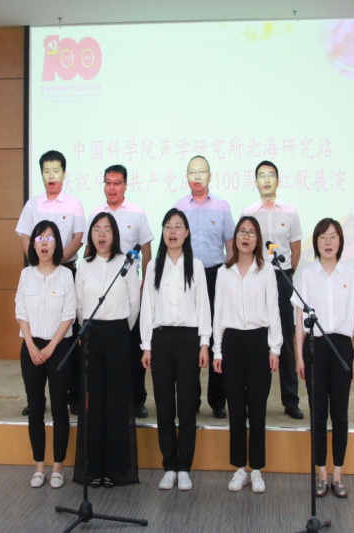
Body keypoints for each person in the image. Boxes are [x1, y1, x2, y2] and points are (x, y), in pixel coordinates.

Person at [292, 218, 354, 499]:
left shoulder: (350, 274)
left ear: (340, 241)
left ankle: (338, 474)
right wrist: (299, 356)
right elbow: (299, 322)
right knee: (318, 413)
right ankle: (321, 473)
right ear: (316, 242)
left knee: (340, 414)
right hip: (316, 348)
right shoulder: (307, 275)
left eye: (333, 237)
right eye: (323, 237)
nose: (328, 242)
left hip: (342, 348)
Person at [140, 208, 211, 491]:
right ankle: (169, 465)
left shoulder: (197, 266)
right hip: (161, 340)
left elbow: (203, 306)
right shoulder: (153, 266)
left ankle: (185, 467)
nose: (172, 231)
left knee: (187, 407)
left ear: (187, 233)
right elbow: (147, 307)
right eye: (168, 226)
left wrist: (204, 343)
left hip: (188, 340)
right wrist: (146, 346)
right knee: (165, 406)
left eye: (178, 226)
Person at [212, 216, 281, 494]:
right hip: (231, 341)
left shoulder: (267, 271)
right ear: (235, 238)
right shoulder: (223, 272)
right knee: (236, 407)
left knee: (257, 408)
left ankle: (258, 469)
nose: (246, 237)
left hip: (257, 341)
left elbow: (273, 310)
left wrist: (275, 348)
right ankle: (240, 468)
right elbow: (218, 312)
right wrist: (217, 349)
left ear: (257, 239)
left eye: (251, 233)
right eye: (242, 232)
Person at [73, 212, 141, 487]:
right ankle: (93, 469)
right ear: (91, 235)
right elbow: (80, 306)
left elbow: (134, 305)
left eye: (107, 230)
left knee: (116, 403)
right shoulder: (83, 266)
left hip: (118, 336)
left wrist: (120, 330)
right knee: (93, 404)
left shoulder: (127, 264)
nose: (102, 234)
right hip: (91, 336)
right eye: (97, 229)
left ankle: (116, 470)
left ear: (115, 235)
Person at [16, 150, 85, 416]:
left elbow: (78, 238)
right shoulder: (32, 205)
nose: (51, 175)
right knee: (34, 328)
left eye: (56, 170)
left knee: (69, 335)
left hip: (66, 270)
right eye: (46, 171)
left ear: (64, 173)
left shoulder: (74, 204)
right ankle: (35, 397)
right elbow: (25, 236)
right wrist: (38, 260)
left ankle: (72, 396)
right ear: (42, 174)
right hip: (37, 272)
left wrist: (57, 260)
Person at [85, 164, 154, 419]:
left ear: (125, 185)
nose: (112, 188)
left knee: (134, 348)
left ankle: (137, 398)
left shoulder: (137, 213)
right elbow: (88, 251)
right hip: (101, 290)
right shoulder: (96, 213)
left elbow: (147, 252)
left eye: (117, 183)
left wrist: (146, 285)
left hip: (129, 290)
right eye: (108, 183)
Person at [14, 220, 76, 489]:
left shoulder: (65, 275)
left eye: (49, 238)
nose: (44, 244)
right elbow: (20, 311)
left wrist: (50, 348)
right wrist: (31, 345)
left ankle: (58, 466)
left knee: (60, 408)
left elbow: (69, 314)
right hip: (31, 347)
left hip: (59, 347)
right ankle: (39, 466)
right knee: (35, 407)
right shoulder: (26, 274)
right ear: (33, 245)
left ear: (57, 244)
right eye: (39, 238)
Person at [241, 160, 304, 420]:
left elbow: (296, 249)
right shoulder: (249, 213)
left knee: (286, 337)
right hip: (256, 276)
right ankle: (253, 399)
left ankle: (291, 400)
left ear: (278, 180)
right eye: (261, 176)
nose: (266, 180)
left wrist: (287, 274)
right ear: (255, 182)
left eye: (271, 175)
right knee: (257, 337)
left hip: (281, 277)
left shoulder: (290, 212)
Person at [173, 155, 234, 419]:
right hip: (187, 276)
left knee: (218, 333)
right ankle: (192, 398)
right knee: (192, 336)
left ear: (210, 175)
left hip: (216, 274)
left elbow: (231, 246)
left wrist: (230, 279)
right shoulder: (178, 207)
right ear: (186, 176)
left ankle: (218, 400)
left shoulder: (222, 206)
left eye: (202, 172)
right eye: (192, 172)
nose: (197, 176)